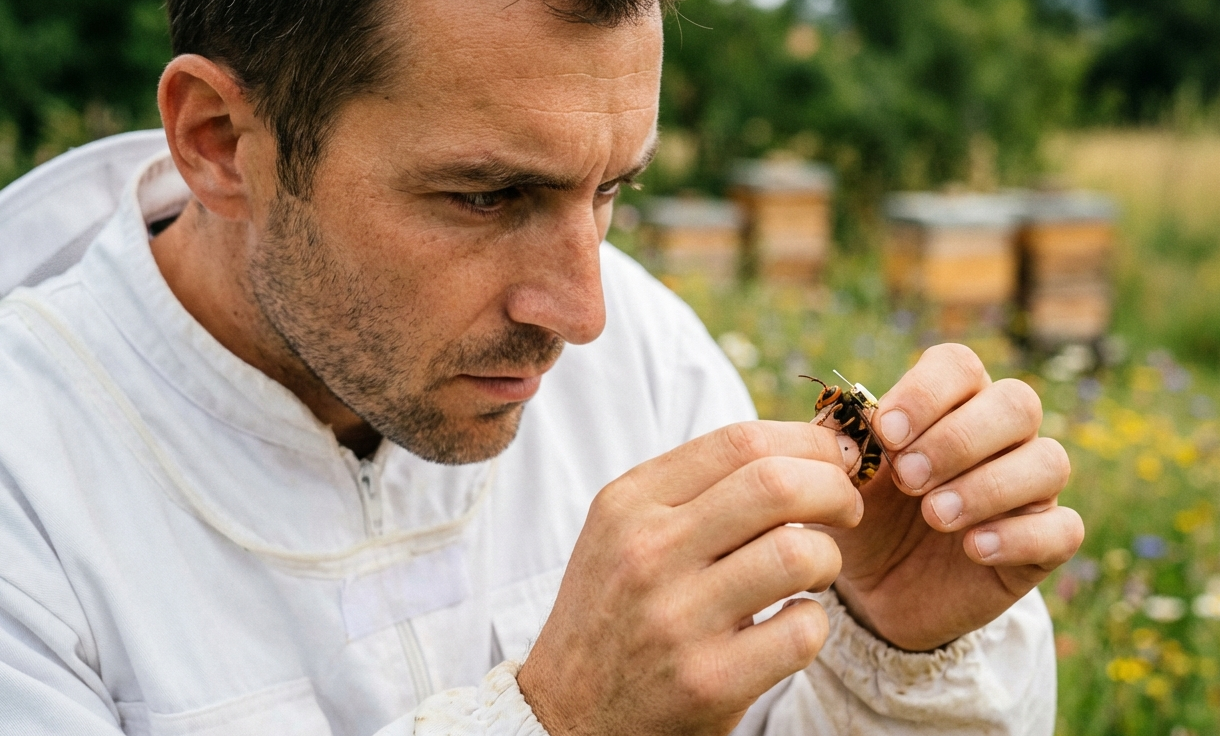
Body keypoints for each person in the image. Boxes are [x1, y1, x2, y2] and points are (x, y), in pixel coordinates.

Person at [0, 0, 1083, 733]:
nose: (584, 311)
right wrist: (553, 717)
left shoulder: (649, 361)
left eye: (611, 190)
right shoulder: (29, 490)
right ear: (221, 141)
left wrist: (890, 651)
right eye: (485, 197)